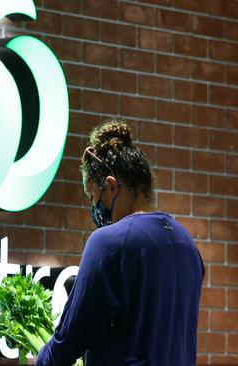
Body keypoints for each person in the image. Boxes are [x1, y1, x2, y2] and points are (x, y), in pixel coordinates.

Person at [35, 119, 205, 366]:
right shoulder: (188, 246)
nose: (94, 207)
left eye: (93, 196)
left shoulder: (109, 244)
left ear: (112, 186)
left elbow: (71, 337)